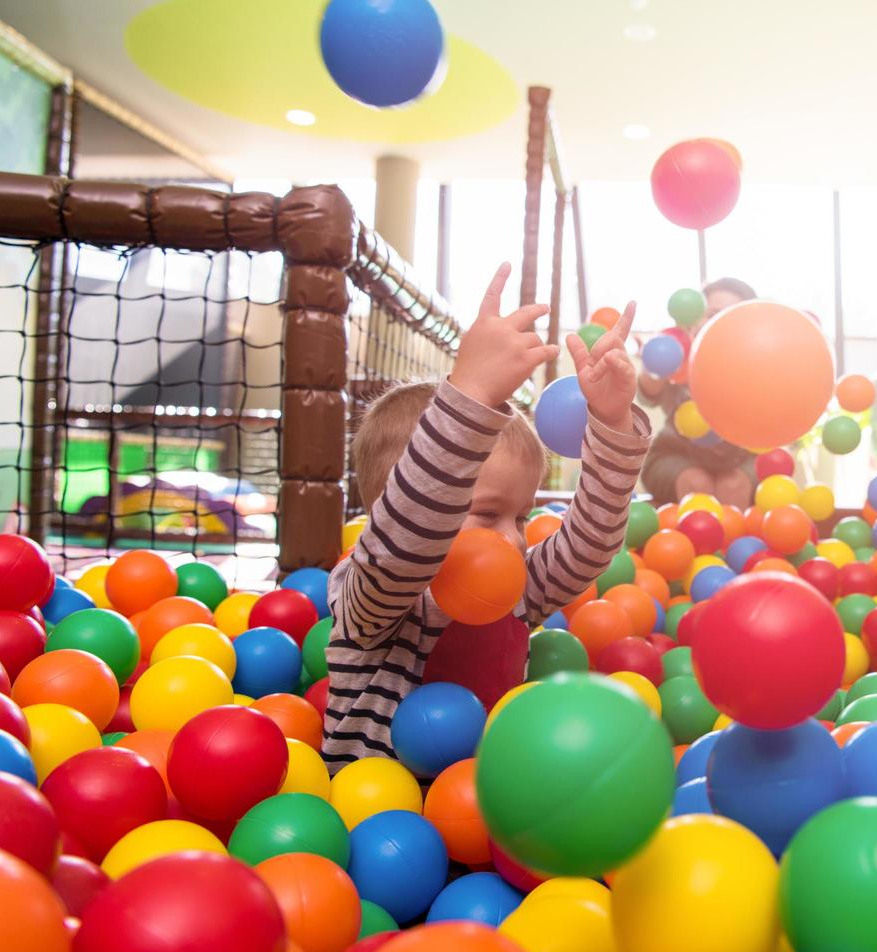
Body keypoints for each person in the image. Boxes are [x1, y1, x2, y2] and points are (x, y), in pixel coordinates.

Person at [321, 263, 652, 770]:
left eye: (520, 517)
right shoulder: (371, 594)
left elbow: (588, 546)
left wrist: (611, 424)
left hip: (497, 810)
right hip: (372, 820)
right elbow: (405, 546)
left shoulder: (514, 587)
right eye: (486, 513)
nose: (513, 539)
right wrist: (471, 394)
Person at [639, 277, 758, 507]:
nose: (719, 323)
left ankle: (731, 544)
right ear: (695, 317)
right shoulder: (678, 350)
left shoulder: (754, 360)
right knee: (697, 484)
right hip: (674, 456)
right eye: (712, 314)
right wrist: (656, 361)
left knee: (733, 487)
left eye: (730, 317)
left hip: (742, 459)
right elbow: (648, 394)